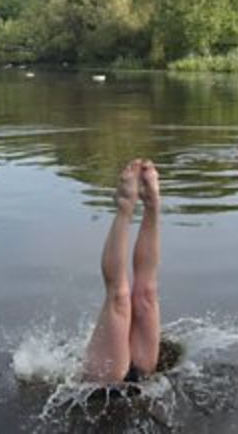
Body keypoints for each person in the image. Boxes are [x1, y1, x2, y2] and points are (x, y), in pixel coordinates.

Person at [83, 159, 162, 383]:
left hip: (103, 385)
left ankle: (129, 208)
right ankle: (150, 206)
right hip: (140, 377)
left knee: (124, 296)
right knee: (143, 294)